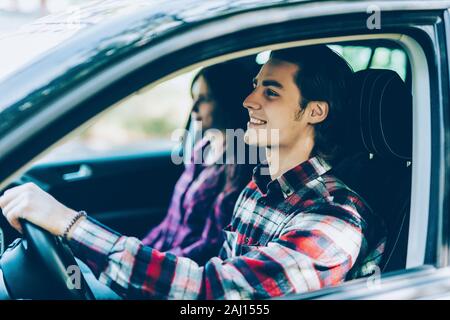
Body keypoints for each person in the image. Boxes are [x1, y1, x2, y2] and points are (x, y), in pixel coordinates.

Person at [0, 45, 386, 299]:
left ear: (315, 112)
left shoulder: (334, 221)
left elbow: (211, 293)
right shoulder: (260, 188)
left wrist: (68, 223)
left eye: (271, 92)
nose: (248, 100)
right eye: (255, 86)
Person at [141, 60, 257, 265]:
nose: (194, 108)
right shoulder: (202, 147)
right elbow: (170, 221)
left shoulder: (241, 164)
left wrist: (153, 263)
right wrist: (142, 249)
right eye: (194, 98)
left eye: (204, 99)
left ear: (227, 100)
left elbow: (212, 243)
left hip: (182, 268)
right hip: (163, 254)